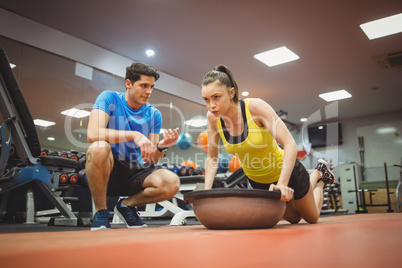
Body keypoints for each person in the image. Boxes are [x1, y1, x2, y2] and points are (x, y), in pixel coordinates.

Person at [201, 65, 335, 224]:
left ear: (231, 92)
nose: (211, 105)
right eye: (206, 99)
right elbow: (212, 158)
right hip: (259, 182)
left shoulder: (255, 107)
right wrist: (206, 193)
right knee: (294, 219)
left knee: (311, 218)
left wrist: (282, 184)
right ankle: (309, 184)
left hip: (287, 173)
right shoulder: (213, 118)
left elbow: (290, 144)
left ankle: (318, 177)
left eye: (216, 97)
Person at [86, 62, 180, 230]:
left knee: (171, 182)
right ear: (128, 83)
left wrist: (161, 147)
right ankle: (101, 211)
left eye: (152, 86)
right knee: (98, 147)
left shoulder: (153, 114)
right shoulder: (109, 98)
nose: (149, 92)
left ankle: (126, 205)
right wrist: (133, 135)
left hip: (134, 170)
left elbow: (150, 161)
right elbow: (93, 134)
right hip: (109, 167)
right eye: (144, 85)